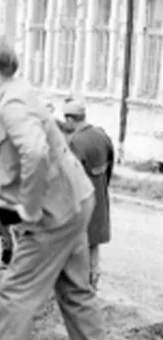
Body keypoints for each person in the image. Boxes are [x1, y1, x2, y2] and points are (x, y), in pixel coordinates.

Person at [0, 39, 110, 340]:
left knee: (16, 290)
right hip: (73, 201)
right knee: (75, 289)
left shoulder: (11, 103)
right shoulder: (3, 100)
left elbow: (36, 153)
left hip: (54, 211)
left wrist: (30, 203)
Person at [60, 99, 114, 291]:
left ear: (69, 119)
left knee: (79, 241)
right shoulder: (101, 135)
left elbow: (70, 176)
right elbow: (110, 165)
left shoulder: (75, 141)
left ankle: (81, 284)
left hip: (82, 199)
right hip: (99, 195)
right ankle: (94, 278)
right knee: (94, 241)